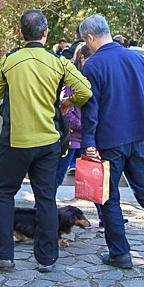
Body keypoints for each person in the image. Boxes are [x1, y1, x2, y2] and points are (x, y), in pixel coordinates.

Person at [0, 10, 92, 272]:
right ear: (45, 33)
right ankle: (47, 258)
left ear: (21, 34)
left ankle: (1, 256)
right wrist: (69, 101)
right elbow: (85, 91)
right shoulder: (59, 62)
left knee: (4, 194)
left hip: (14, 141)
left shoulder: (9, 60)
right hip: (48, 143)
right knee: (45, 198)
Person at [80, 14, 144, 270]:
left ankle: (120, 253)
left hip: (109, 142)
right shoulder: (137, 59)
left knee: (108, 197)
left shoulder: (93, 65)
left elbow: (91, 109)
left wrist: (88, 142)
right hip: (139, 137)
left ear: (90, 37)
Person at [55, 43, 89, 187]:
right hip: (72, 138)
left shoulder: (95, 77)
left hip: (87, 138)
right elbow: (65, 109)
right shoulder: (72, 79)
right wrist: (83, 125)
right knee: (57, 177)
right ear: (82, 58)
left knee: (90, 182)